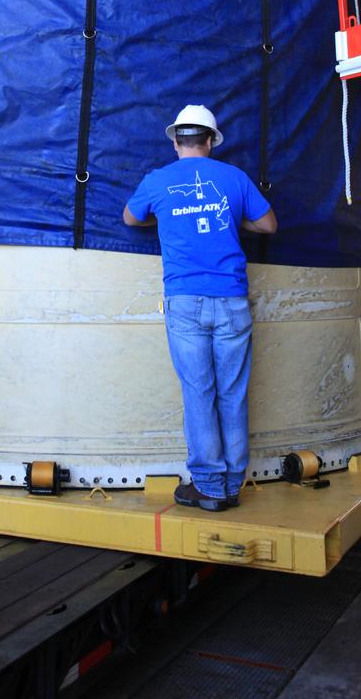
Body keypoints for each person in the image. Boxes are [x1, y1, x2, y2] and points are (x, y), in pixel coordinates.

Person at [123, 105, 277, 512]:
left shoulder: (158, 181)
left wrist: (169, 216)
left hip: (185, 302)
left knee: (199, 393)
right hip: (231, 300)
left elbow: (130, 218)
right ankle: (230, 483)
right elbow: (268, 226)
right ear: (210, 142)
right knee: (233, 393)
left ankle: (208, 485)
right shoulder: (234, 178)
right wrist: (230, 219)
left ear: (175, 142)